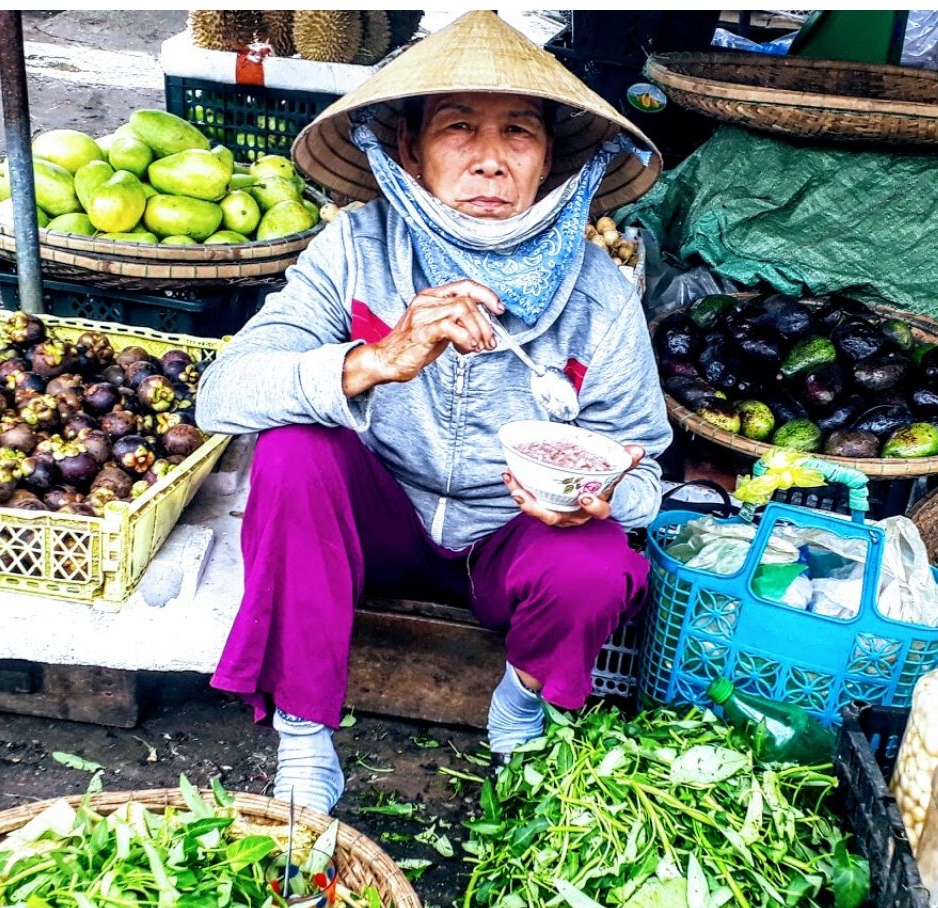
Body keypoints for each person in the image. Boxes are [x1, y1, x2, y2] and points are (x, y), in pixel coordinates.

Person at [196, 12, 670, 813]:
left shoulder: (598, 292)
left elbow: (646, 471)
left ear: (550, 160)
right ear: (409, 149)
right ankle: (306, 736)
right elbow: (224, 395)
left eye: (518, 133)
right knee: (290, 454)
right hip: (379, 523)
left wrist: (604, 495)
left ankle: (518, 708)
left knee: (599, 559)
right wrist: (372, 362)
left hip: (509, 538)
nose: (490, 160)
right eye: (459, 129)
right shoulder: (355, 248)